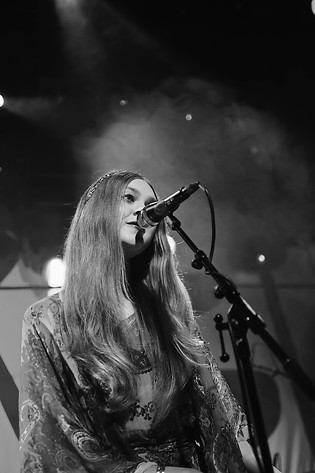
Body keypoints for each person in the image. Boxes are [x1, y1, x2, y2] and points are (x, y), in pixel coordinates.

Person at [19, 170, 280, 473]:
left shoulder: (169, 313)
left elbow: (217, 417)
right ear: (98, 212)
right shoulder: (47, 319)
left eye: (152, 204)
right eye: (128, 198)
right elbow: (53, 433)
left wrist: (268, 469)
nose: (143, 211)